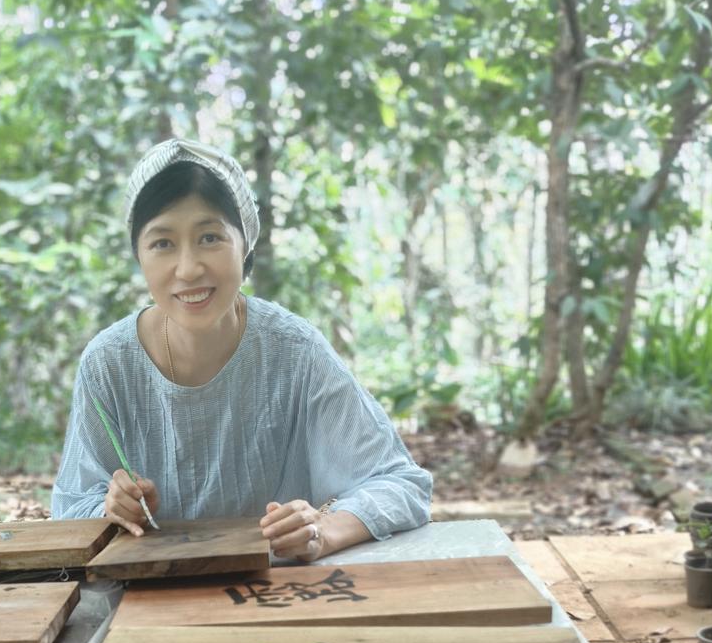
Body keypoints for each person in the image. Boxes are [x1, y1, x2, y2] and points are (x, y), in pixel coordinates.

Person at [50, 138, 432, 560]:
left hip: (275, 590)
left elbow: (400, 483)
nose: (188, 268)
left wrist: (322, 531)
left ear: (245, 242)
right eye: (162, 243)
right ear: (138, 255)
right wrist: (113, 510)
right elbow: (71, 508)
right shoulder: (109, 363)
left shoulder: (294, 350)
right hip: (147, 593)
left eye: (209, 237)